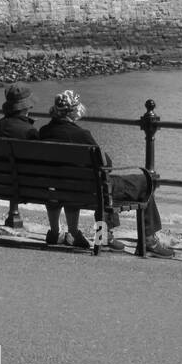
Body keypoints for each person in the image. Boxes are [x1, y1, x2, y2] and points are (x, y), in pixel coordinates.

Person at [37, 90, 174, 257]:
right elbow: (106, 164)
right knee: (145, 182)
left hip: (64, 188)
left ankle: (105, 238)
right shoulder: (81, 135)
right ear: (74, 112)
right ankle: (147, 240)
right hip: (89, 190)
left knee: (102, 183)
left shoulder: (43, 132)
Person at [0, 84, 38, 232]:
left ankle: (13, 213)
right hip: (24, 185)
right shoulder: (30, 131)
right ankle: (14, 214)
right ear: (26, 107)